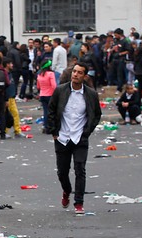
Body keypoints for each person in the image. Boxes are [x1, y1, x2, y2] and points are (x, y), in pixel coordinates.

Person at [48, 63, 101, 215]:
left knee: (80, 169)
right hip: (62, 137)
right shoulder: (60, 90)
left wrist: (87, 131)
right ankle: (66, 190)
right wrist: (54, 131)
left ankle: (79, 203)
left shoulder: (90, 94)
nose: (75, 75)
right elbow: (51, 110)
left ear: (84, 76)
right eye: (74, 72)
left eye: (79, 73)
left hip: (80, 138)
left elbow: (96, 114)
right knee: (62, 172)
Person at [36, 59, 57, 133]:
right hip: (50, 95)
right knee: (51, 112)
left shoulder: (39, 74)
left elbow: (38, 86)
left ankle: (45, 126)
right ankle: (51, 127)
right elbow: (54, 85)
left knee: (45, 111)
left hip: (42, 95)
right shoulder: (51, 74)